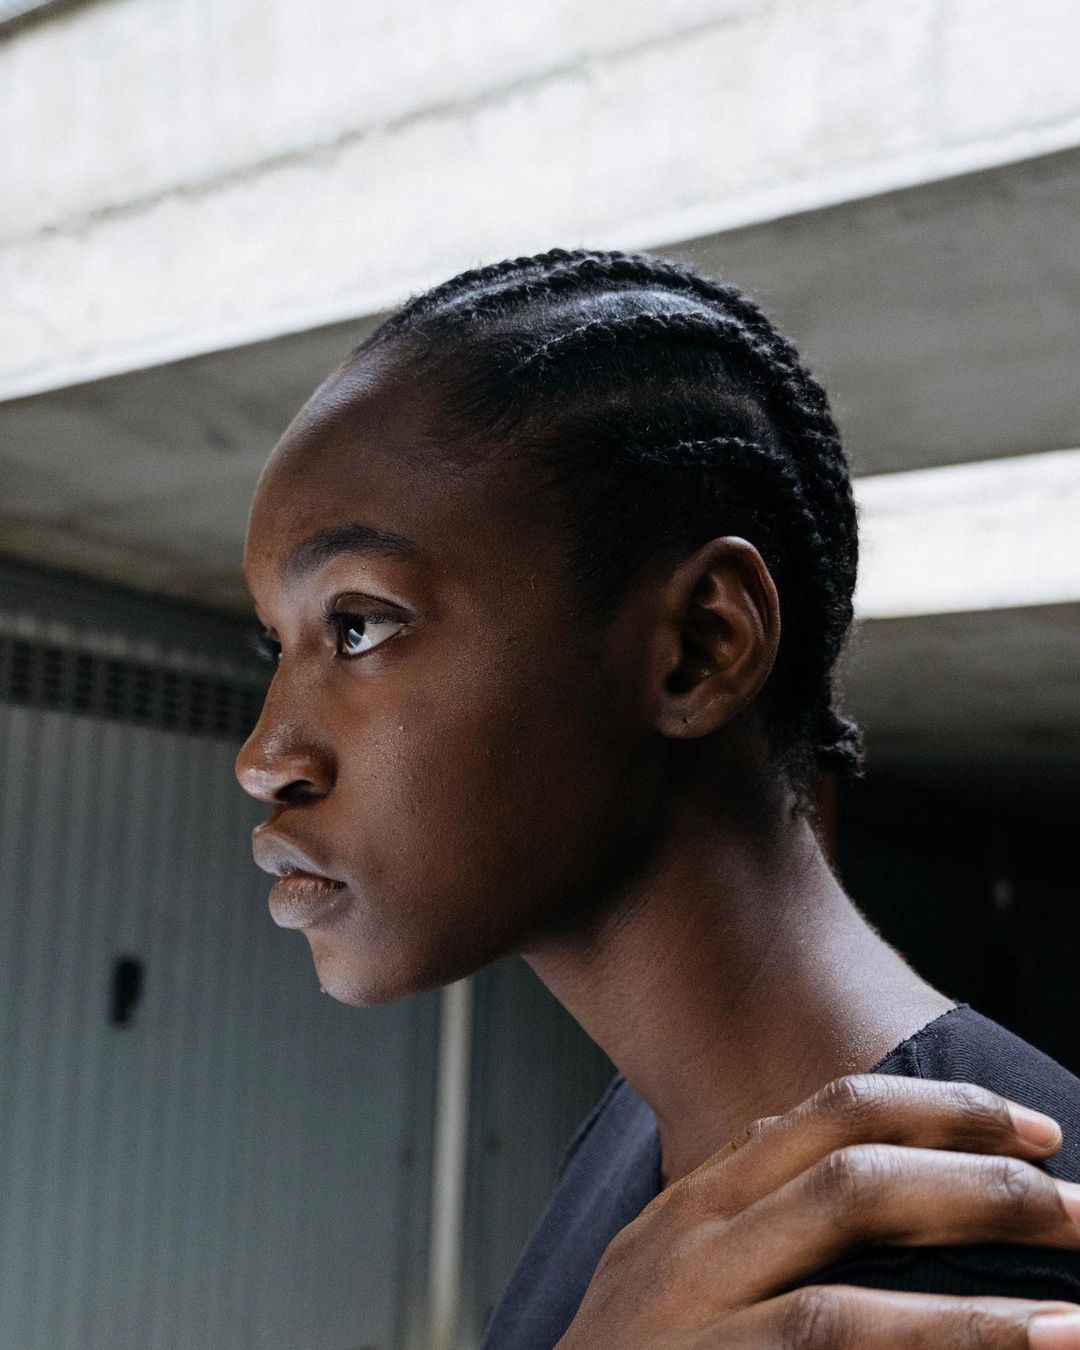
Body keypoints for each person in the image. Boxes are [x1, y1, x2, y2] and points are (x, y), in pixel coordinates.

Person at [235, 248, 1080, 1348]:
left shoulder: (988, 1270)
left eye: (358, 626)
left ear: (698, 647)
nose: (266, 756)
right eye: (277, 646)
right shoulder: (638, 1137)